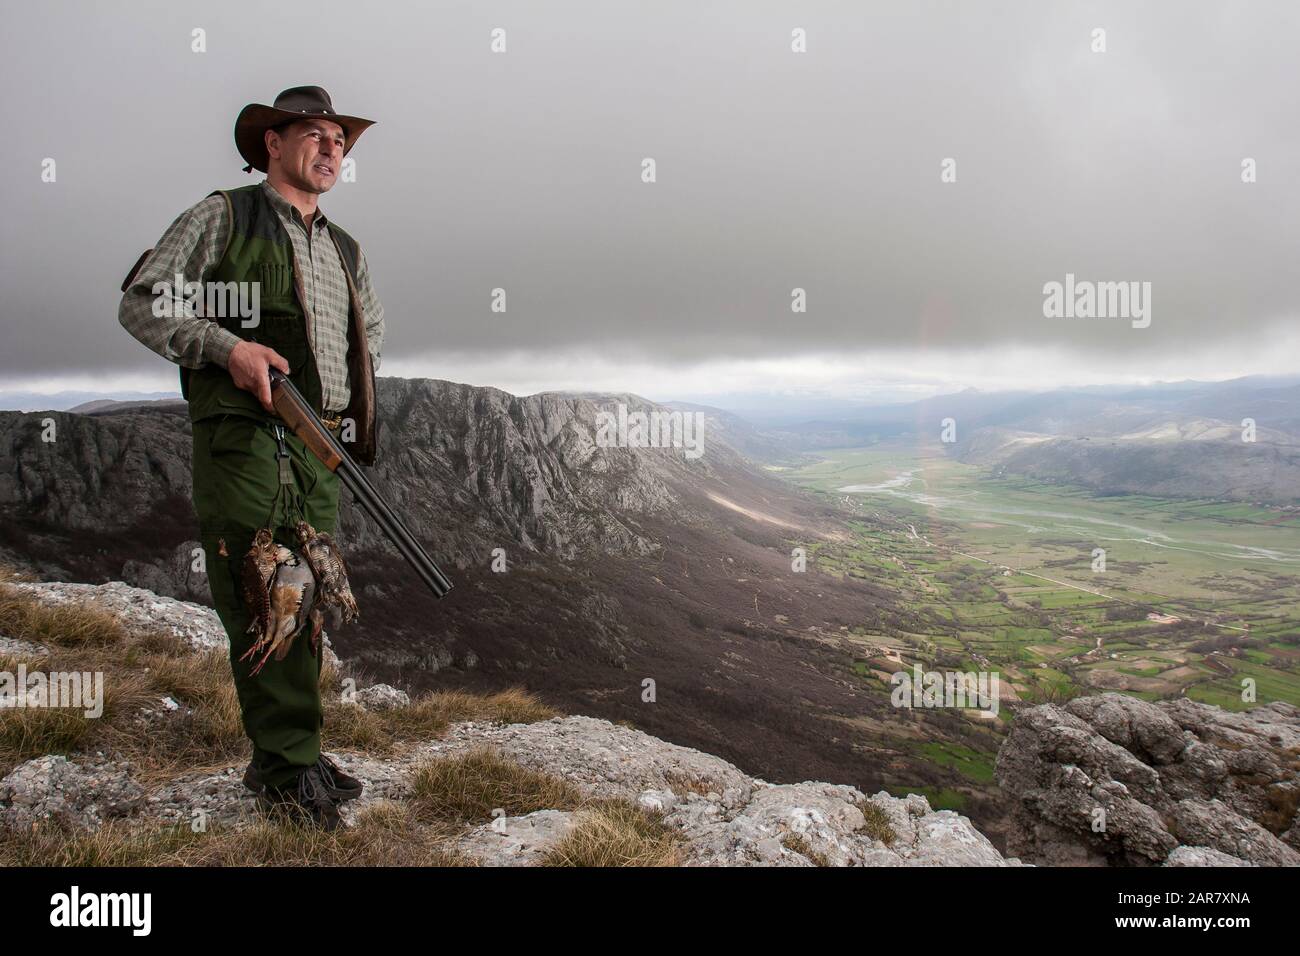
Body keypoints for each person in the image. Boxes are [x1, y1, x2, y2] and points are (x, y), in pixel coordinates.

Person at [118, 86, 385, 829]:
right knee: (266, 592)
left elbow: (366, 344)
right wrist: (227, 348)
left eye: (340, 139)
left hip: (318, 444)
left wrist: (352, 425)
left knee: (310, 597)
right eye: (316, 135)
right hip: (245, 438)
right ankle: (285, 769)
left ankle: (290, 754)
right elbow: (144, 301)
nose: (333, 149)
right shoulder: (222, 216)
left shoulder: (345, 249)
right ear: (272, 142)